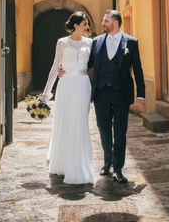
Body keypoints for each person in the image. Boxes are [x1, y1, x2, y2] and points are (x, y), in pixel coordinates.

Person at [88, 10, 145, 184]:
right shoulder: (96, 42)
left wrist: (141, 94)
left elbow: (138, 70)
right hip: (101, 93)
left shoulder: (131, 42)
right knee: (104, 130)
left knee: (120, 132)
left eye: (106, 20)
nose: (103, 23)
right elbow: (87, 64)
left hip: (121, 94)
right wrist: (67, 67)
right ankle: (107, 162)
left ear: (116, 22)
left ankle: (118, 169)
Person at [41, 12, 96, 185]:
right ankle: (64, 164)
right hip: (65, 86)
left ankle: (80, 166)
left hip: (83, 85)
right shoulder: (62, 43)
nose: (87, 26)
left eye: (87, 23)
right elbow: (55, 67)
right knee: (65, 122)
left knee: (80, 123)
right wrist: (46, 93)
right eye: (84, 23)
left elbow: (95, 64)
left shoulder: (90, 42)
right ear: (76, 25)